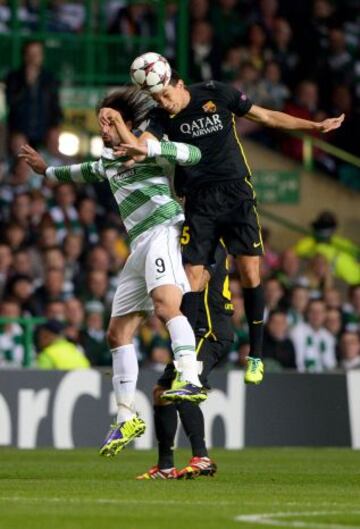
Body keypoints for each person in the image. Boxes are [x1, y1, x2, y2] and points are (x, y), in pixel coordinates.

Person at [103, 64, 344, 386]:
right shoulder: (161, 117)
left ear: (180, 83)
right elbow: (142, 145)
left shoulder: (217, 93)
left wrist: (314, 126)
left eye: (165, 94)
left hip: (236, 194)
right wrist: (123, 133)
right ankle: (185, 364)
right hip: (199, 203)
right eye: (155, 97)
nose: (163, 102)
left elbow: (267, 117)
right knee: (191, 278)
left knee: (250, 274)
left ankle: (255, 356)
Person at [19, 86, 205, 457]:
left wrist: (149, 146)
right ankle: (126, 416)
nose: (103, 127)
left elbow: (194, 153)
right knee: (117, 333)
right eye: (100, 121)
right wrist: (45, 170)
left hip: (164, 231)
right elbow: (77, 173)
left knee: (168, 305)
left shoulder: (149, 150)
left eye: (110, 120)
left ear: (128, 123)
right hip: (138, 246)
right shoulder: (108, 161)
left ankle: (189, 374)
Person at [137, 242, 234, 480]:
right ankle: (165, 467)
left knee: (184, 387)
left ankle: (201, 458)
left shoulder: (212, 244)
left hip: (209, 331)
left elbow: (196, 282)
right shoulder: (190, 243)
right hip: (193, 333)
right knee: (161, 392)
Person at [5, 40, 63, 155]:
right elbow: (11, 103)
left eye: (37, 54)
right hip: (20, 130)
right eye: (30, 54)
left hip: (44, 129)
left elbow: (55, 106)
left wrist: (55, 127)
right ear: (24, 56)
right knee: (23, 159)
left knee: (58, 156)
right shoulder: (14, 78)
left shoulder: (49, 79)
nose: (33, 58)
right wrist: (27, 85)